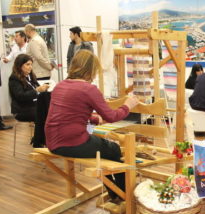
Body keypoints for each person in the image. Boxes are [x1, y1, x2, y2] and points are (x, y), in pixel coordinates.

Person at [45, 50, 139, 202]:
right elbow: (112, 116)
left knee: (104, 149)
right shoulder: (89, 89)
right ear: (91, 70)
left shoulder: (61, 86)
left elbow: (68, 113)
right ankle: (122, 194)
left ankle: (114, 191)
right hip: (72, 143)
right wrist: (127, 105)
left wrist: (94, 119)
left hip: (52, 142)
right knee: (114, 149)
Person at [9, 54, 49, 122]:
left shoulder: (31, 76)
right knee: (44, 113)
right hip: (22, 109)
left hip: (34, 106)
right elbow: (20, 96)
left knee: (52, 110)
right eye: (28, 64)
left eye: (31, 64)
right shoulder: (14, 78)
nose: (30, 67)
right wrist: (37, 91)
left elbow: (38, 90)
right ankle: (42, 132)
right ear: (19, 65)